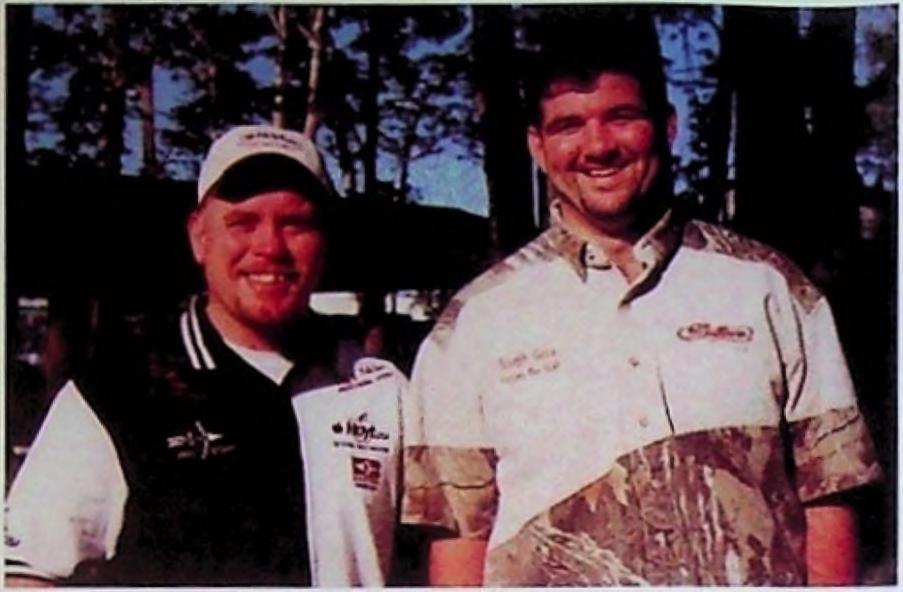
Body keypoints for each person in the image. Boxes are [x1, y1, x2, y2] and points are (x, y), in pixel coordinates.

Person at [400, 22, 882, 587]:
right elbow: (461, 535)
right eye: (569, 125)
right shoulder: (475, 323)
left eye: (621, 117)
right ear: (537, 146)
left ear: (667, 125)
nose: (598, 146)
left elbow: (830, 495)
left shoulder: (770, 288)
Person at [5, 125, 405, 587]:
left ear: (326, 240)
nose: (270, 247)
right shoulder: (115, 394)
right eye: (243, 223)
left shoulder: (380, 390)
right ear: (199, 236)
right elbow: (26, 574)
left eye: (295, 224)